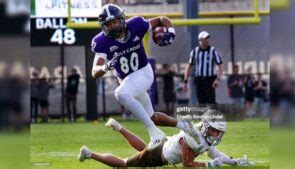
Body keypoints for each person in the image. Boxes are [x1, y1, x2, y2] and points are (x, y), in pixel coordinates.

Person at [90, 4, 192, 150]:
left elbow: (162, 19)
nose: (112, 26)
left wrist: (171, 32)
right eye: (109, 24)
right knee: (152, 117)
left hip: (143, 72)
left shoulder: (136, 25)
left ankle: (155, 134)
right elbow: (94, 71)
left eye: (115, 22)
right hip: (128, 80)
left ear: (121, 19)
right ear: (104, 26)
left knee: (121, 93)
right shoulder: (101, 41)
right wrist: (105, 67)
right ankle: (185, 126)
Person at [78, 110, 254, 167]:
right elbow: (187, 164)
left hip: (163, 147)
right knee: (124, 164)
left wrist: (235, 162)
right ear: (207, 127)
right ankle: (89, 153)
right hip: (158, 156)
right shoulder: (193, 138)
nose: (217, 135)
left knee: (143, 151)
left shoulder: (201, 135)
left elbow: (213, 152)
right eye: (215, 131)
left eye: (219, 132)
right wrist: (210, 165)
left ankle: (119, 128)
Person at [184, 31, 224, 104]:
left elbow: (220, 65)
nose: (208, 40)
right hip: (199, 80)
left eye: (208, 38)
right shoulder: (195, 51)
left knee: (211, 101)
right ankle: (202, 115)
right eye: (205, 38)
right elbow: (189, 67)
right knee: (201, 102)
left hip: (210, 80)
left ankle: (212, 115)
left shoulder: (213, 50)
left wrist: (218, 79)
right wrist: (186, 81)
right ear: (200, 39)